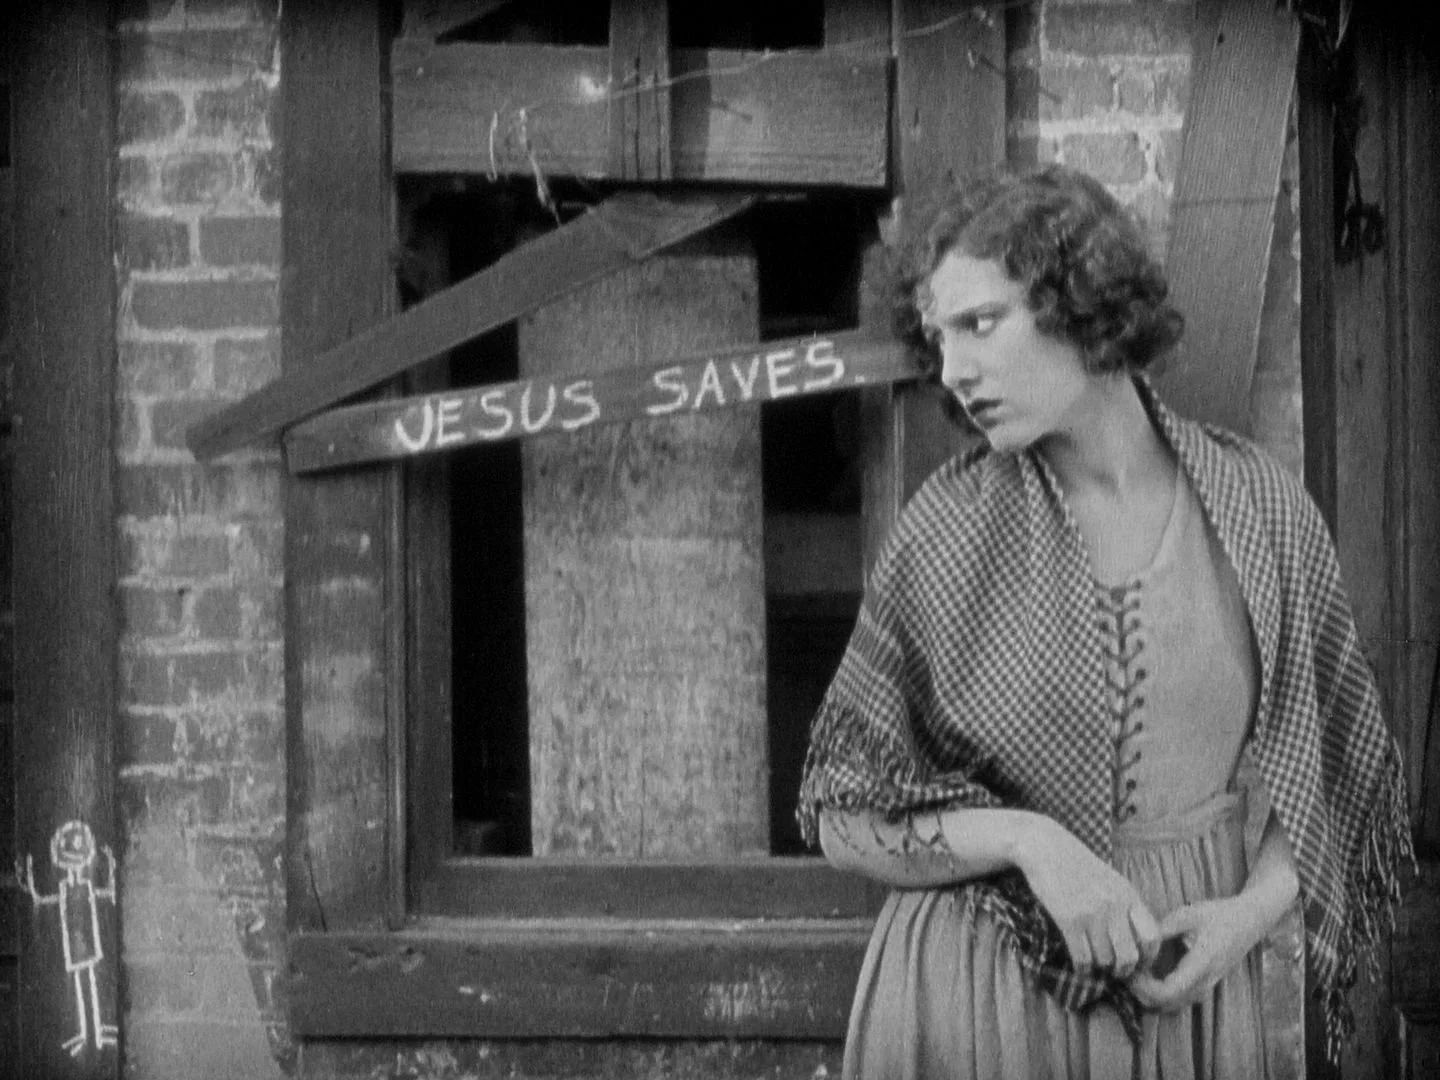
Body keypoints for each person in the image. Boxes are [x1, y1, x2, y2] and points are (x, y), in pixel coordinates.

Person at [797, 164, 1413, 1080]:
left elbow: (1336, 772)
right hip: (977, 1006)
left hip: (1188, 997)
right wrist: (1030, 842)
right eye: (938, 338)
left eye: (980, 323)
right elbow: (840, 812)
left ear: (1082, 304)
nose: (954, 371)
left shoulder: (1259, 510)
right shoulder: (947, 530)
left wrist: (1247, 918)